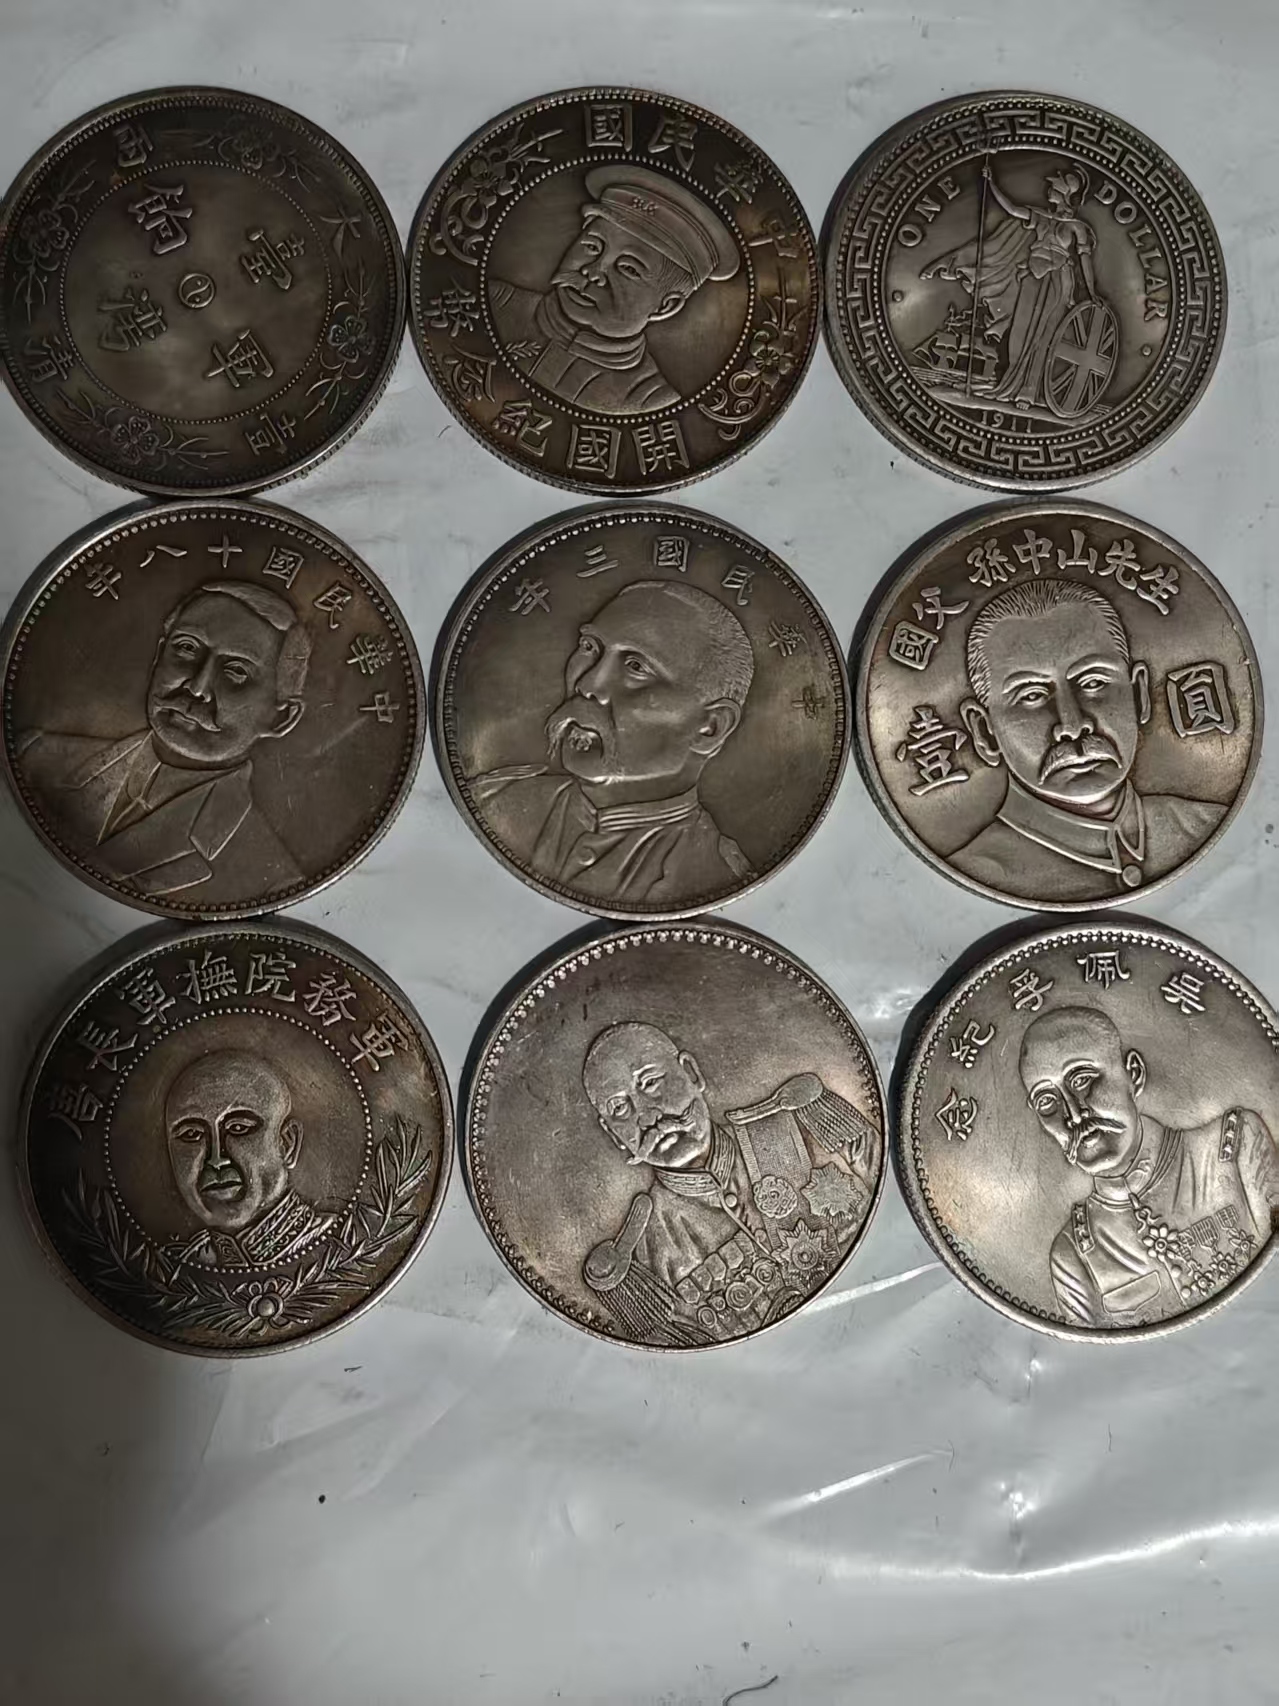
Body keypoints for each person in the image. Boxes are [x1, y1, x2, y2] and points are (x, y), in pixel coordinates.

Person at [579, 1021, 877, 1345]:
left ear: (691, 1073)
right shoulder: (650, 1252)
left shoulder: (793, 1124)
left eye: (650, 1083)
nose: (648, 1117)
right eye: (620, 1108)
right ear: (614, 1135)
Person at [18, 579, 310, 898]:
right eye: (186, 649)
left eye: (236, 672)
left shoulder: (268, 880)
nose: (196, 687)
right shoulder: (35, 757)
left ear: (281, 717)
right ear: (159, 655)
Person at [471, 579, 755, 905]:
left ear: (710, 728)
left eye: (636, 667)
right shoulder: (494, 798)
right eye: (590, 647)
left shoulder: (713, 875)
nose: (588, 684)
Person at [951, 578, 1223, 900]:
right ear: (984, 731)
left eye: (1093, 683)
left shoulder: (1203, 824)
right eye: (1032, 695)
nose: (1073, 724)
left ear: (1139, 695)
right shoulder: (980, 870)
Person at [1020, 1006, 1279, 1327]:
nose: (1073, 1115)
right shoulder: (1073, 1252)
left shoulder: (1236, 1146)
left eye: (1082, 1080)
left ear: (1134, 1074)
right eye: (1047, 1102)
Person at [488, 163, 739, 413]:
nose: (592, 272)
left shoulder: (649, 401)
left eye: (628, 269)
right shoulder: (497, 303)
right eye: (592, 247)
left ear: (666, 306)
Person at [919, 165, 1103, 413]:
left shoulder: (1077, 228)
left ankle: (1029, 391)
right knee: (1019, 334)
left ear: (1064, 193)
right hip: (1031, 278)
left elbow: (1085, 262)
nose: (1048, 189)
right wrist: (992, 183)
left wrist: (1091, 293)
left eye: (1053, 187)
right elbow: (1012, 209)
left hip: (1057, 281)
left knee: (1043, 336)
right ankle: (1008, 386)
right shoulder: (1042, 217)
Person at [163, 1051, 338, 1270]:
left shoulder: (339, 1241)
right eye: (191, 1134)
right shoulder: (172, 1267)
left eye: (239, 1128)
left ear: (287, 1144)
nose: (216, 1159)